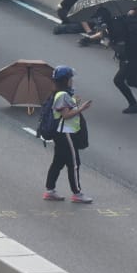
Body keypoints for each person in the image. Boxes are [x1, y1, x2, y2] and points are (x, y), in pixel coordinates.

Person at [42, 65, 93, 203]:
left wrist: (75, 103)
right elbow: (65, 115)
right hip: (66, 134)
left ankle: (50, 190)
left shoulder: (61, 94)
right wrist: (81, 108)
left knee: (58, 162)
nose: (72, 80)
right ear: (65, 80)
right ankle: (77, 193)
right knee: (74, 163)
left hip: (63, 134)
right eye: (70, 78)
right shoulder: (62, 95)